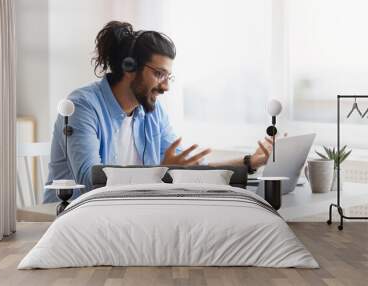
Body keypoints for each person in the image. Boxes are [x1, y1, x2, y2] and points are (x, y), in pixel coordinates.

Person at [44, 21, 273, 203]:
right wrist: (161, 170)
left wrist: (249, 161)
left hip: (125, 211)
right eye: (159, 74)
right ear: (130, 68)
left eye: (168, 76)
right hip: (71, 215)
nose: (166, 86)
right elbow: (89, 181)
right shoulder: (82, 106)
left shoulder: (152, 112)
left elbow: (190, 167)